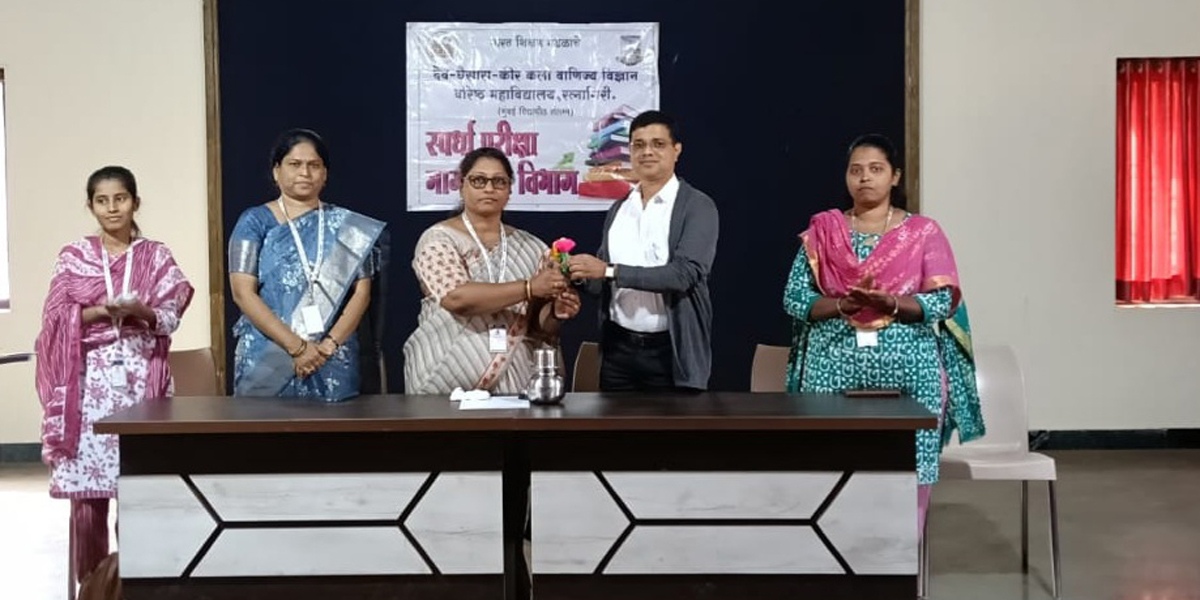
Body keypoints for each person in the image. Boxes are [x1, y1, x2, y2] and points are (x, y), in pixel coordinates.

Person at [783, 133, 984, 535]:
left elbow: (943, 301)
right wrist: (843, 305)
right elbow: (794, 298)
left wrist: (891, 303)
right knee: (830, 461)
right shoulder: (824, 232)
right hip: (832, 365)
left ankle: (904, 550)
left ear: (895, 177)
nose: (864, 178)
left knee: (913, 462)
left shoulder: (923, 233)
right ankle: (835, 543)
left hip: (911, 372)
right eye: (855, 170)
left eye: (875, 169)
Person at [35, 166, 194, 583]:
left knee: (139, 489)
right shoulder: (75, 257)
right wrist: (102, 311)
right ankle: (91, 585)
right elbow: (56, 320)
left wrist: (141, 312)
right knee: (88, 500)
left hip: (142, 380)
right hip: (87, 386)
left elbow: (170, 316)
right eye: (102, 201)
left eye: (120, 199)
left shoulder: (156, 256)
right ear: (90, 206)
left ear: (135, 202)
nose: (112, 208)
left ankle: (137, 583)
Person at [404, 147, 581, 394]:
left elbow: (539, 327)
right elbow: (457, 298)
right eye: (479, 180)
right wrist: (528, 287)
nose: (489, 188)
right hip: (443, 379)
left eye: (499, 181)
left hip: (515, 384)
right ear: (461, 185)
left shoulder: (532, 247)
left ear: (509, 190)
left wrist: (555, 312)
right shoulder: (438, 239)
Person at [229, 129, 386, 401]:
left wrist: (328, 346)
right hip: (268, 356)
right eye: (295, 164)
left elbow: (362, 293)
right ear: (276, 171)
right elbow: (242, 293)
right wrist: (298, 348)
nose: (305, 172)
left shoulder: (348, 227)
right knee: (263, 426)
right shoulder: (253, 222)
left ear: (325, 174)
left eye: (314, 165)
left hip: (332, 356)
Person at [568, 110, 718, 391]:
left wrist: (609, 271)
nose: (647, 152)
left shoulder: (697, 206)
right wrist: (573, 271)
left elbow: (683, 275)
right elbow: (601, 284)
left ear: (677, 150)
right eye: (638, 145)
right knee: (614, 423)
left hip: (670, 352)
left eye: (658, 144)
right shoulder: (620, 209)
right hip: (617, 350)